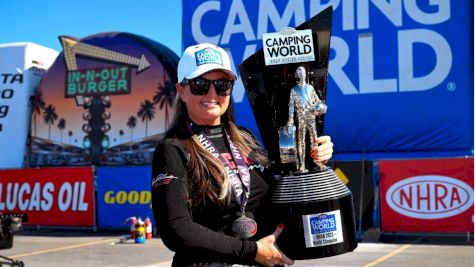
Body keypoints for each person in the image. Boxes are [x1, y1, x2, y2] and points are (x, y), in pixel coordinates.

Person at [151, 43, 334, 267]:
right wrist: (252, 251)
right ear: (182, 90)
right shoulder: (173, 149)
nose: (212, 94)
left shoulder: (246, 138)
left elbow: (284, 191)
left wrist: (314, 160)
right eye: (200, 85)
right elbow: (176, 231)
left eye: (222, 85)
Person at [286, 66, 327, 173]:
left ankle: (316, 162)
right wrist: (290, 120)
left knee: (314, 140)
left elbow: (317, 100)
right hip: (301, 118)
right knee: (301, 141)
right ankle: (302, 164)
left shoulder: (310, 88)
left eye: (303, 73)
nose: (302, 75)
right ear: (297, 76)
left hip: (311, 117)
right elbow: (291, 107)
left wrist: (320, 107)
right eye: (299, 73)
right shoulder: (293, 90)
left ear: (306, 74)